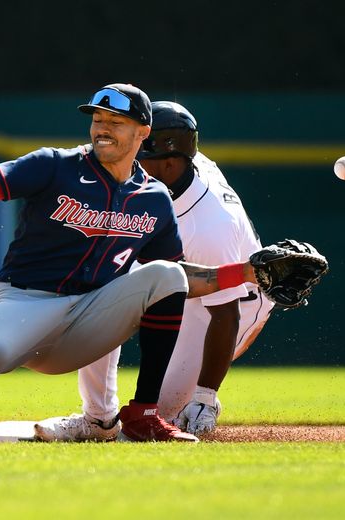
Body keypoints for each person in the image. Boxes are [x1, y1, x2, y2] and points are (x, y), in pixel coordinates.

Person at [0, 84, 261, 443]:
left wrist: (248, 272)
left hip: (89, 319)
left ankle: (140, 414)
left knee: (165, 274)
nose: (103, 128)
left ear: (142, 132)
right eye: (98, 120)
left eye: (116, 122)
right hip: (26, 304)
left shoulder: (153, 198)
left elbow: (178, 279)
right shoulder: (55, 166)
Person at [33, 101, 274, 441]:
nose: (128, 159)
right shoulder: (164, 174)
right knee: (98, 291)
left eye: (139, 153)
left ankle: (199, 402)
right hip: (178, 273)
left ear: (171, 164)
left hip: (232, 301)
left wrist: (205, 393)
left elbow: (226, 313)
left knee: (156, 420)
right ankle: (97, 418)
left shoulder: (208, 225)